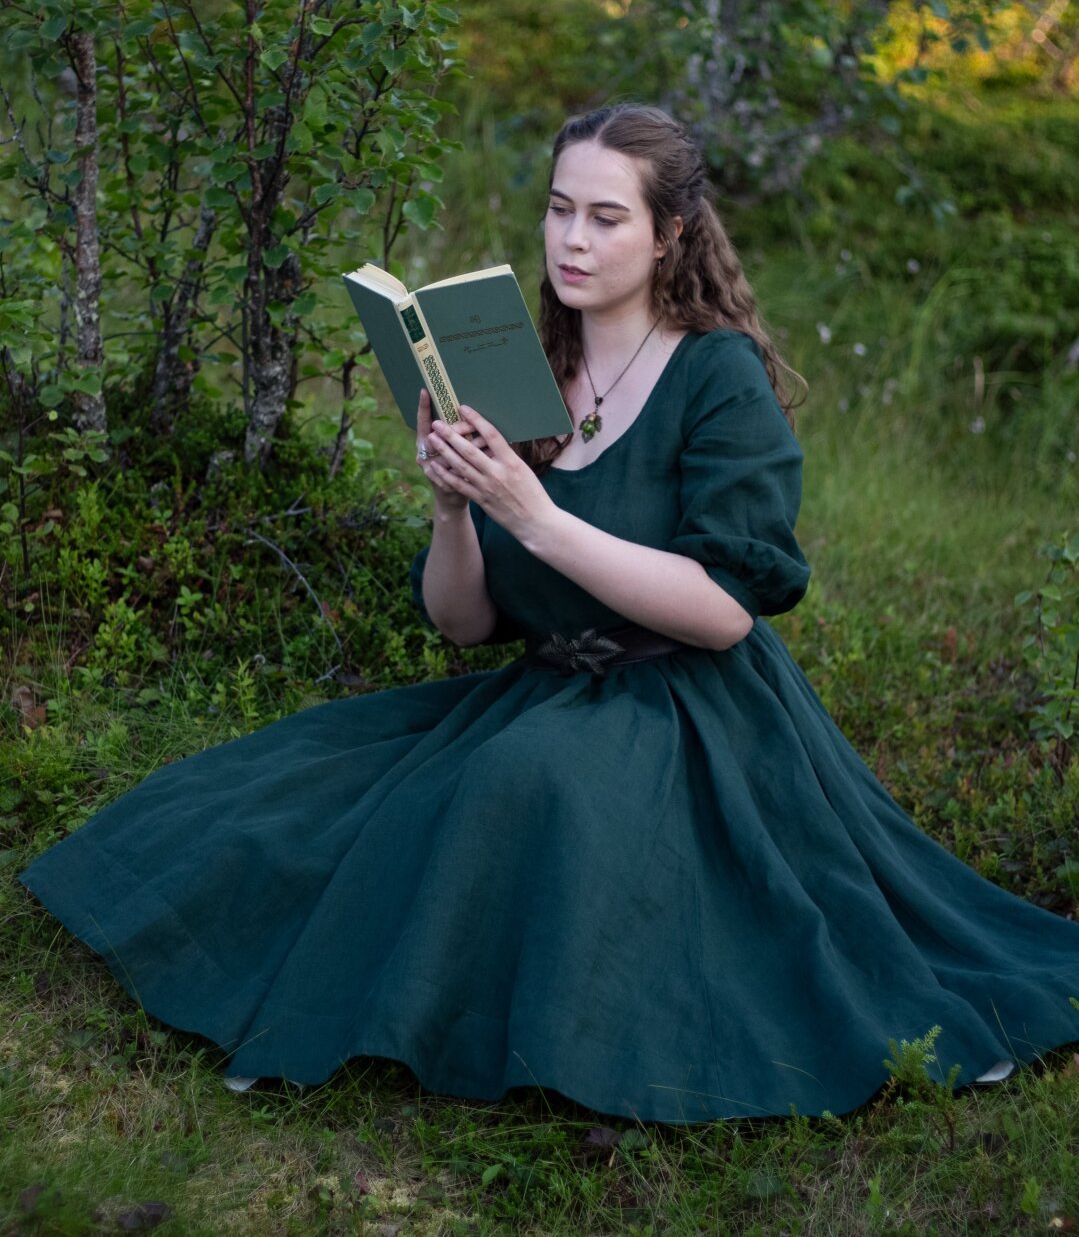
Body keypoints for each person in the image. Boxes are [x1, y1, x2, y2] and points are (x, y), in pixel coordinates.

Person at [21, 105, 1079, 1124]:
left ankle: (476, 1030)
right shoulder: (521, 362)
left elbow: (720, 615)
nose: (572, 240)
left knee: (521, 790)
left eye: (605, 217)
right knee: (280, 797)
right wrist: (451, 508)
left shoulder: (715, 377)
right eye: (558, 208)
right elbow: (465, 626)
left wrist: (531, 514)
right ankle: (317, 997)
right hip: (540, 690)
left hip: (687, 708)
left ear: (668, 233)